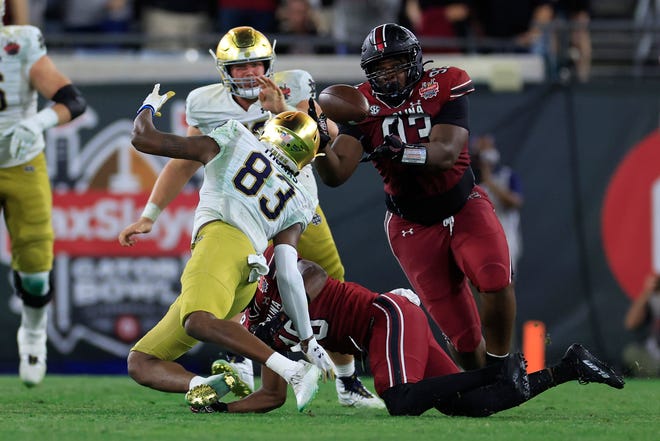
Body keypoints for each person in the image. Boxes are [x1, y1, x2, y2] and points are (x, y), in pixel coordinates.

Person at [118, 25, 382, 408]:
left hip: (293, 196)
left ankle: (344, 379)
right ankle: (248, 361)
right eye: (239, 67)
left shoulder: (265, 109)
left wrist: (281, 109)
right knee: (256, 285)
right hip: (276, 207)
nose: (249, 73)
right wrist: (150, 213)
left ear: (269, 62)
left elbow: (317, 137)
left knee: (329, 285)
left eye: (255, 64)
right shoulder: (209, 107)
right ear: (223, 70)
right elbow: (181, 163)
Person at [193, 251, 624, 415]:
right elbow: (273, 395)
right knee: (468, 408)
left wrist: (281, 313)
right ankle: (568, 367)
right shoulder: (259, 330)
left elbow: (312, 275)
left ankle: (500, 369)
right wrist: (222, 412)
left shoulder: (273, 270)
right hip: (385, 334)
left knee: (400, 399)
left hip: (386, 316)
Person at [313, 23, 516, 370]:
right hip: (412, 224)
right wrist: (318, 142)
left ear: (415, 59)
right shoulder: (362, 105)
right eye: (380, 67)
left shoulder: (444, 82)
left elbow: (447, 153)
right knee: (463, 339)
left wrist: (404, 152)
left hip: (463, 204)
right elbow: (337, 173)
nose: (389, 74)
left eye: (395, 63)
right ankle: (487, 385)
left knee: (494, 277)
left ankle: (503, 367)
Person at [123, 86, 337, 412]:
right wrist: (307, 340)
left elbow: (145, 139)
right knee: (142, 361)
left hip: (222, 243)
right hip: (247, 278)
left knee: (197, 321)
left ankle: (291, 370)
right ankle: (202, 386)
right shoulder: (301, 197)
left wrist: (147, 107)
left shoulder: (236, 136)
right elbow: (288, 273)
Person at [0, 9, 87, 387]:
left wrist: (36, 122)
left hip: (20, 161)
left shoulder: (17, 44)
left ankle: (33, 333)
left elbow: (72, 101)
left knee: (36, 270)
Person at [472, 134, 523, 275]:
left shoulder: (507, 175)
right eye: (482, 148)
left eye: (489, 147)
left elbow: (515, 202)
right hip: (479, 237)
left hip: (506, 234)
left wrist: (489, 181)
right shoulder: (471, 181)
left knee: (506, 276)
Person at [622, 273, 660, 377]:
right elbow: (630, 323)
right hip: (654, 354)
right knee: (631, 352)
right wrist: (647, 292)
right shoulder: (654, 297)